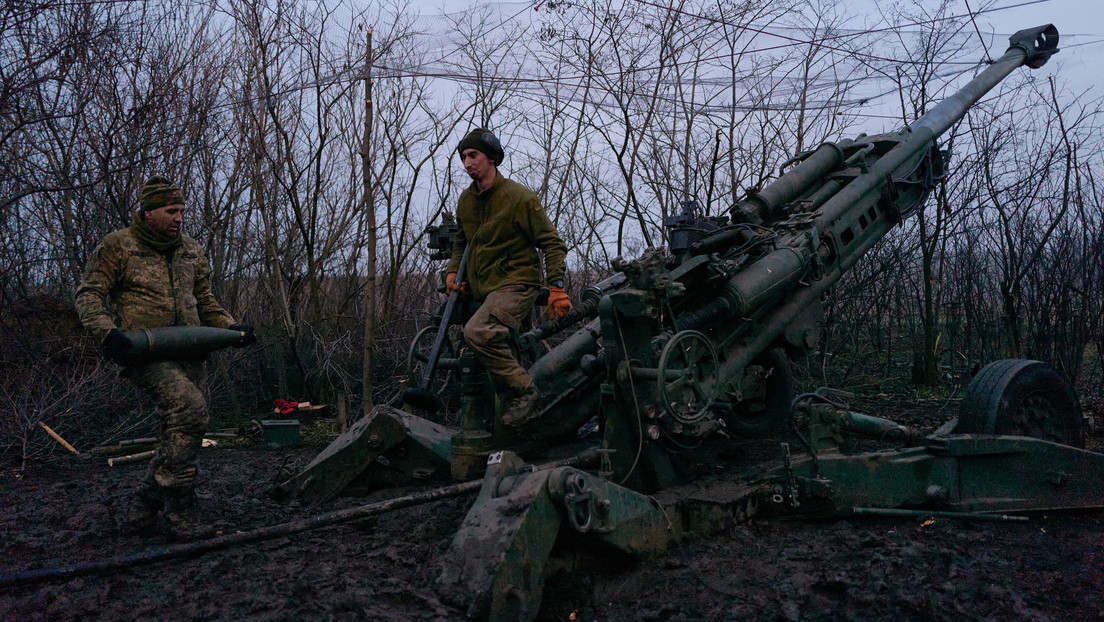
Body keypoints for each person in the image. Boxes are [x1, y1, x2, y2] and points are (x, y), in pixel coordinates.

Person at [75, 175, 253, 540]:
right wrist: (108, 333)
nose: (179, 218)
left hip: (190, 352)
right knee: (191, 411)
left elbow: (204, 301)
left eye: (182, 211)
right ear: (149, 211)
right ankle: (180, 514)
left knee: (181, 433)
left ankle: (142, 508)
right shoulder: (118, 246)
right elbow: (89, 294)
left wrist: (234, 329)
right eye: (172, 211)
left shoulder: (190, 249)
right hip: (145, 352)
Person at [446, 128, 571, 429]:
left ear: (491, 158)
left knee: (477, 331)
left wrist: (556, 287)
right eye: (463, 157)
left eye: (473, 156)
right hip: (485, 289)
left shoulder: (519, 198)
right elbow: (461, 241)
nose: (467, 163)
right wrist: (452, 271)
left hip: (517, 282)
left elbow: (552, 243)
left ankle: (526, 394)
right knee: (479, 344)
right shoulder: (466, 201)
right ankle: (514, 427)